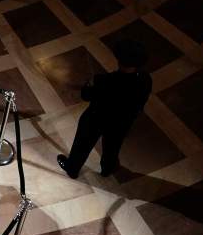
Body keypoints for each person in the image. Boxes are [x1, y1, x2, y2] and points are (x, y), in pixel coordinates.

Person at [57, 40, 151, 179]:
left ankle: (72, 167)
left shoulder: (104, 80)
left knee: (82, 144)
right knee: (113, 146)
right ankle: (108, 168)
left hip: (96, 119)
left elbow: (86, 95)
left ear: (119, 60)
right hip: (122, 122)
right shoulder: (145, 79)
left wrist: (88, 85)